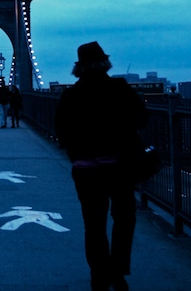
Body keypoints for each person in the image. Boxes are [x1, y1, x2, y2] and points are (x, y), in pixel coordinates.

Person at [53, 42, 148, 291]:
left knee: (93, 225)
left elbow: (61, 132)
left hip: (86, 169)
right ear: (105, 63)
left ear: (79, 67)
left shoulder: (70, 95)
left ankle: (98, 276)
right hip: (120, 167)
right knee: (125, 220)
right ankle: (117, 272)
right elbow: (142, 118)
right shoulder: (120, 88)